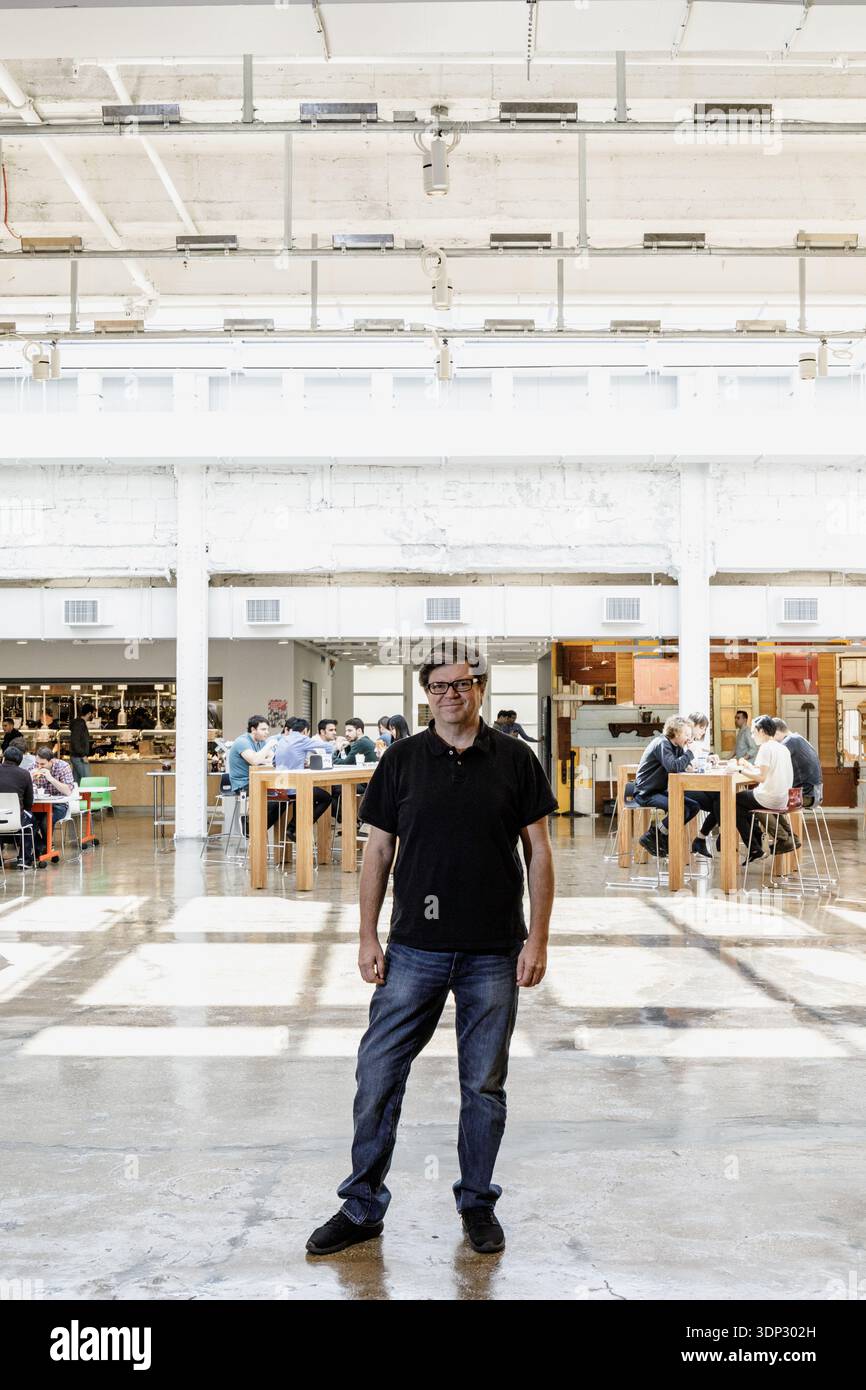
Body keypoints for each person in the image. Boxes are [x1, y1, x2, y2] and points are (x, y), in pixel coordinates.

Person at [307, 643, 557, 1259]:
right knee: (378, 1075)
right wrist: (367, 934)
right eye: (440, 685)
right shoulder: (400, 760)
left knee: (484, 1086)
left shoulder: (517, 760)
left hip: (494, 950)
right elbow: (377, 854)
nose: (452, 693)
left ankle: (477, 1203)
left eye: (464, 683)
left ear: (480, 689)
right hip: (413, 949)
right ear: (426, 694)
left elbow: (541, 853)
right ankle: (362, 1205)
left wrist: (539, 938)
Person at [632, 716, 717, 858]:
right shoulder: (662, 743)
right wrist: (690, 753)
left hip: (660, 791)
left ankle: (659, 834)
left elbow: (683, 765)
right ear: (676, 733)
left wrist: (690, 756)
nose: (689, 738)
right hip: (646, 793)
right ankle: (656, 835)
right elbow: (673, 767)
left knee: (694, 806)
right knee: (680, 809)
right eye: (687, 735)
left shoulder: (677, 747)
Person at [735, 715, 795, 860]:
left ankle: (755, 845)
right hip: (783, 798)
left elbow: (762, 778)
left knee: (734, 801)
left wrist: (740, 770)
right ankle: (788, 835)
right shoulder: (781, 748)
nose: (752, 734)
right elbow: (766, 772)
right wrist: (748, 766)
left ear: (761, 731)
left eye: (753, 731)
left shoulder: (765, 748)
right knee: (744, 802)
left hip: (769, 798)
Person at [272, 716, 331, 840]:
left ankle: (293, 828)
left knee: (307, 795)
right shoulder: (302, 739)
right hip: (293, 789)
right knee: (326, 798)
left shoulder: (282, 739)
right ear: (305, 731)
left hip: (278, 788)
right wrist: (339, 744)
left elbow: (275, 762)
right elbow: (328, 748)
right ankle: (297, 828)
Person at [227, 715, 279, 835]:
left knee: (284, 797)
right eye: (263, 729)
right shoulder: (242, 742)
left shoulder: (261, 742)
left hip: (259, 781)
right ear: (253, 730)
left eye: (267, 729)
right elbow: (255, 760)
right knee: (276, 799)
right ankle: (250, 824)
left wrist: (263, 757)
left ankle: (256, 830)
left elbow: (272, 759)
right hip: (243, 784)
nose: (267, 732)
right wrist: (269, 746)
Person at [0, 743, 39, 868]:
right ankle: (25, 859)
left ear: (3, 757)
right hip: (17, 819)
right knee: (31, 822)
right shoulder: (24, 774)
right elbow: (29, 802)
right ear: (20, 761)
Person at [31, 745, 75, 855]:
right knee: (27, 821)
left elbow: (68, 791)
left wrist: (50, 778)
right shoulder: (34, 766)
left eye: (42, 764)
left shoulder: (63, 767)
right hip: (38, 805)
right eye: (38, 763)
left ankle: (45, 849)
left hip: (59, 805)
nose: (39, 766)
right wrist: (29, 778)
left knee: (46, 821)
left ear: (51, 761)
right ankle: (43, 846)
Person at [773, 718, 823, 806]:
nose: (773, 741)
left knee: (763, 800)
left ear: (776, 732)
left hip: (803, 796)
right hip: (816, 795)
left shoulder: (789, 742)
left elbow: (773, 765)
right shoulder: (799, 738)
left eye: (772, 737)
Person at [69, 702, 95, 784]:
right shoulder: (79, 724)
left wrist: (91, 746)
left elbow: (78, 740)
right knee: (88, 781)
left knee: (76, 783)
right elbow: (75, 740)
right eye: (93, 714)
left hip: (77, 756)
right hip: (79, 757)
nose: (94, 716)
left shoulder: (79, 723)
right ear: (89, 713)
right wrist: (83, 755)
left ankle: (77, 796)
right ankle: (89, 797)